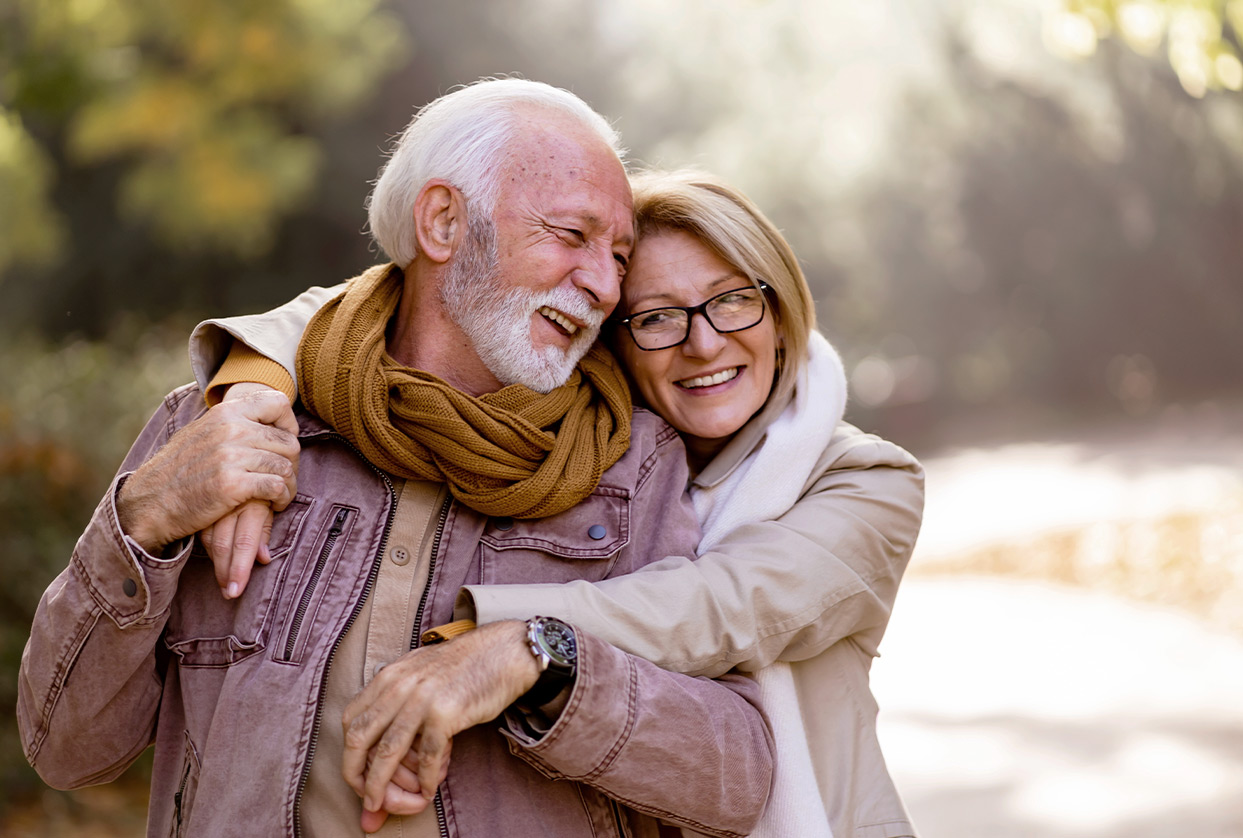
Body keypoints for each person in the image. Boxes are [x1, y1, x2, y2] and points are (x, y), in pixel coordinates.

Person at [17, 79, 776, 838]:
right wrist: (143, 519)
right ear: (444, 221)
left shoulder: (633, 466)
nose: (606, 285)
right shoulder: (224, 423)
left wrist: (543, 665)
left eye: (617, 255)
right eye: (572, 236)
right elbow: (67, 750)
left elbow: (737, 777)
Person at [193, 170, 924, 837]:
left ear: (781, 309)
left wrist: (518, 644)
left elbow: (721, 604)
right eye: (659, 317)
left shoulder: (866, 480)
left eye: (733, 300)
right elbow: (384, 312)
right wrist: (253, 389)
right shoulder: (592, 454)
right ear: (611, 336)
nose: (703, 344)